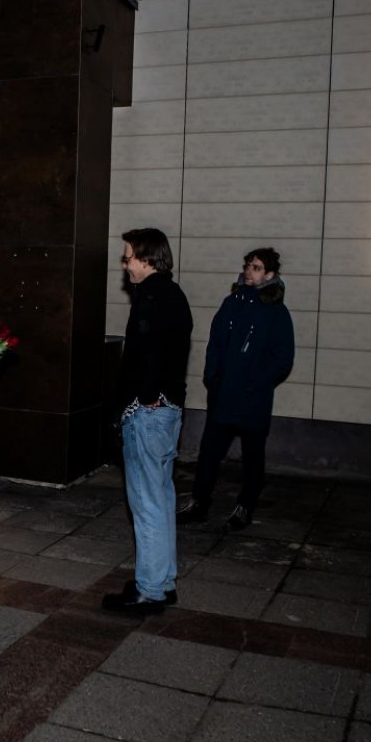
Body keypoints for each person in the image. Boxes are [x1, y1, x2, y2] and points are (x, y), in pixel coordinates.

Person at [102, 229, 193, 615]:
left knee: (147, 503)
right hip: (167, 410)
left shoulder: (152, 296)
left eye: (127, 258)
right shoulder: (172, 293)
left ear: (146, 258)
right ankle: (163, 581)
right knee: (162, 498)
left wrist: (144, 396)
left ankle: (150, 590)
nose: (124, 265)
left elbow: (149, 353)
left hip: (149, 412)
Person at [176, 247, 295, 531]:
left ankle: (245, 506)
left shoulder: (276, 312)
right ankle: (199, 503)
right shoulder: (232, 303)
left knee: (253, 455)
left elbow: (282, 358)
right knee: (209, 451)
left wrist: (255, 383)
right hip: (223, 394)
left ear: (270, 274)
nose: (249, 271)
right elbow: (215, 341)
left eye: (256, 267)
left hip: (253, 398)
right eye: (248, 266)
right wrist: (213, 376)